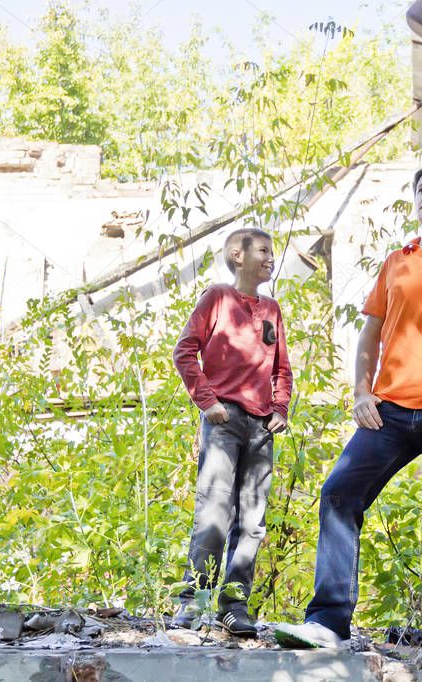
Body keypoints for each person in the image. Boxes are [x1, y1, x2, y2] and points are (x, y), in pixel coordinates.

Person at [274, 161, 422, 650]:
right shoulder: (397, 262)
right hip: (388, 412)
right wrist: (362, 391)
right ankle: (328, 623)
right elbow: (370, 333)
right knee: (339, 493)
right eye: (421, 188)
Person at [171, 227, 293, 638]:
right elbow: (185, 350)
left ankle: (233, 605)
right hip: (224, 421)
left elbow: (282, 368)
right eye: (263, 250)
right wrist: (208, 401)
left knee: (253, 519)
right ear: (237, 256)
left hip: (261, 425)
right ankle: (192, 602)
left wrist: (279, 408)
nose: (270, 257)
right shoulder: (217, 298)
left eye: (272, 251)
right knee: (215, 509)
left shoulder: (271, 309)